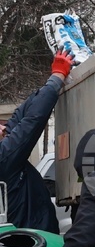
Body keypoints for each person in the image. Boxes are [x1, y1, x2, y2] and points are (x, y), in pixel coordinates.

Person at [1, 50, 74, 232]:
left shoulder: (6, 155)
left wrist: (48, 86)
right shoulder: (4, 157)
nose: (3, 128)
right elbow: (32, 121)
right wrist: (57, 76)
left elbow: (21, 117)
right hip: (31, 241)